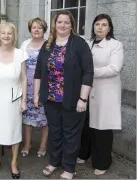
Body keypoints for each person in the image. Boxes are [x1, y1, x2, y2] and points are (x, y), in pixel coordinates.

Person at [34, 11, 94, 179]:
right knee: (55, 132)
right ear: (55, 24)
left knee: (71, 134)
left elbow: (88, 72)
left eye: (66, 22)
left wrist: (83, 98)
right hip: (51, 99)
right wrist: (37, 95)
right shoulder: (48, 44)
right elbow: (38, 72)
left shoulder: (79, 44)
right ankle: (54, 162)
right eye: (59, 21)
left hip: (73, 100)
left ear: (71, 25)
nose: (62, 25)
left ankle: (69, 168)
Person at [77, 14, 124, 176]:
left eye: (104, 25)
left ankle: (103, 162)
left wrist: (89, 73)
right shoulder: (87, 44)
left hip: (105, 92)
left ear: (109, 28)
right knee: (86, 125)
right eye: (97, 24)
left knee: (102, 129)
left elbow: (114, 68)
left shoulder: (115, 45)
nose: (100, 27)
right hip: (87, 91)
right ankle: (84, 153)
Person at [0, 22, 28, 179]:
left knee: (14, 132)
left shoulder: (20, 54)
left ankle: (14, 163)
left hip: (14, 99)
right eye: (3, 33)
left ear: (14, 35)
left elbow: (24, 79)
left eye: (9, 33)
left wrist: (24, 100)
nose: (6, 36)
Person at [19, 17, 48, 158]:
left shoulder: (49, 45)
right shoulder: (24, 44)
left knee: (45, 118)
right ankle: (27, 144)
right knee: (27, 117)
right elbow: (19, 65)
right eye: (34, 27)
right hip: (26, 86)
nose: (36, 30)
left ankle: (43, 145)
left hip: (43, 86)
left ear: (44, 29)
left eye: (39, 27)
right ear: (30, 29)